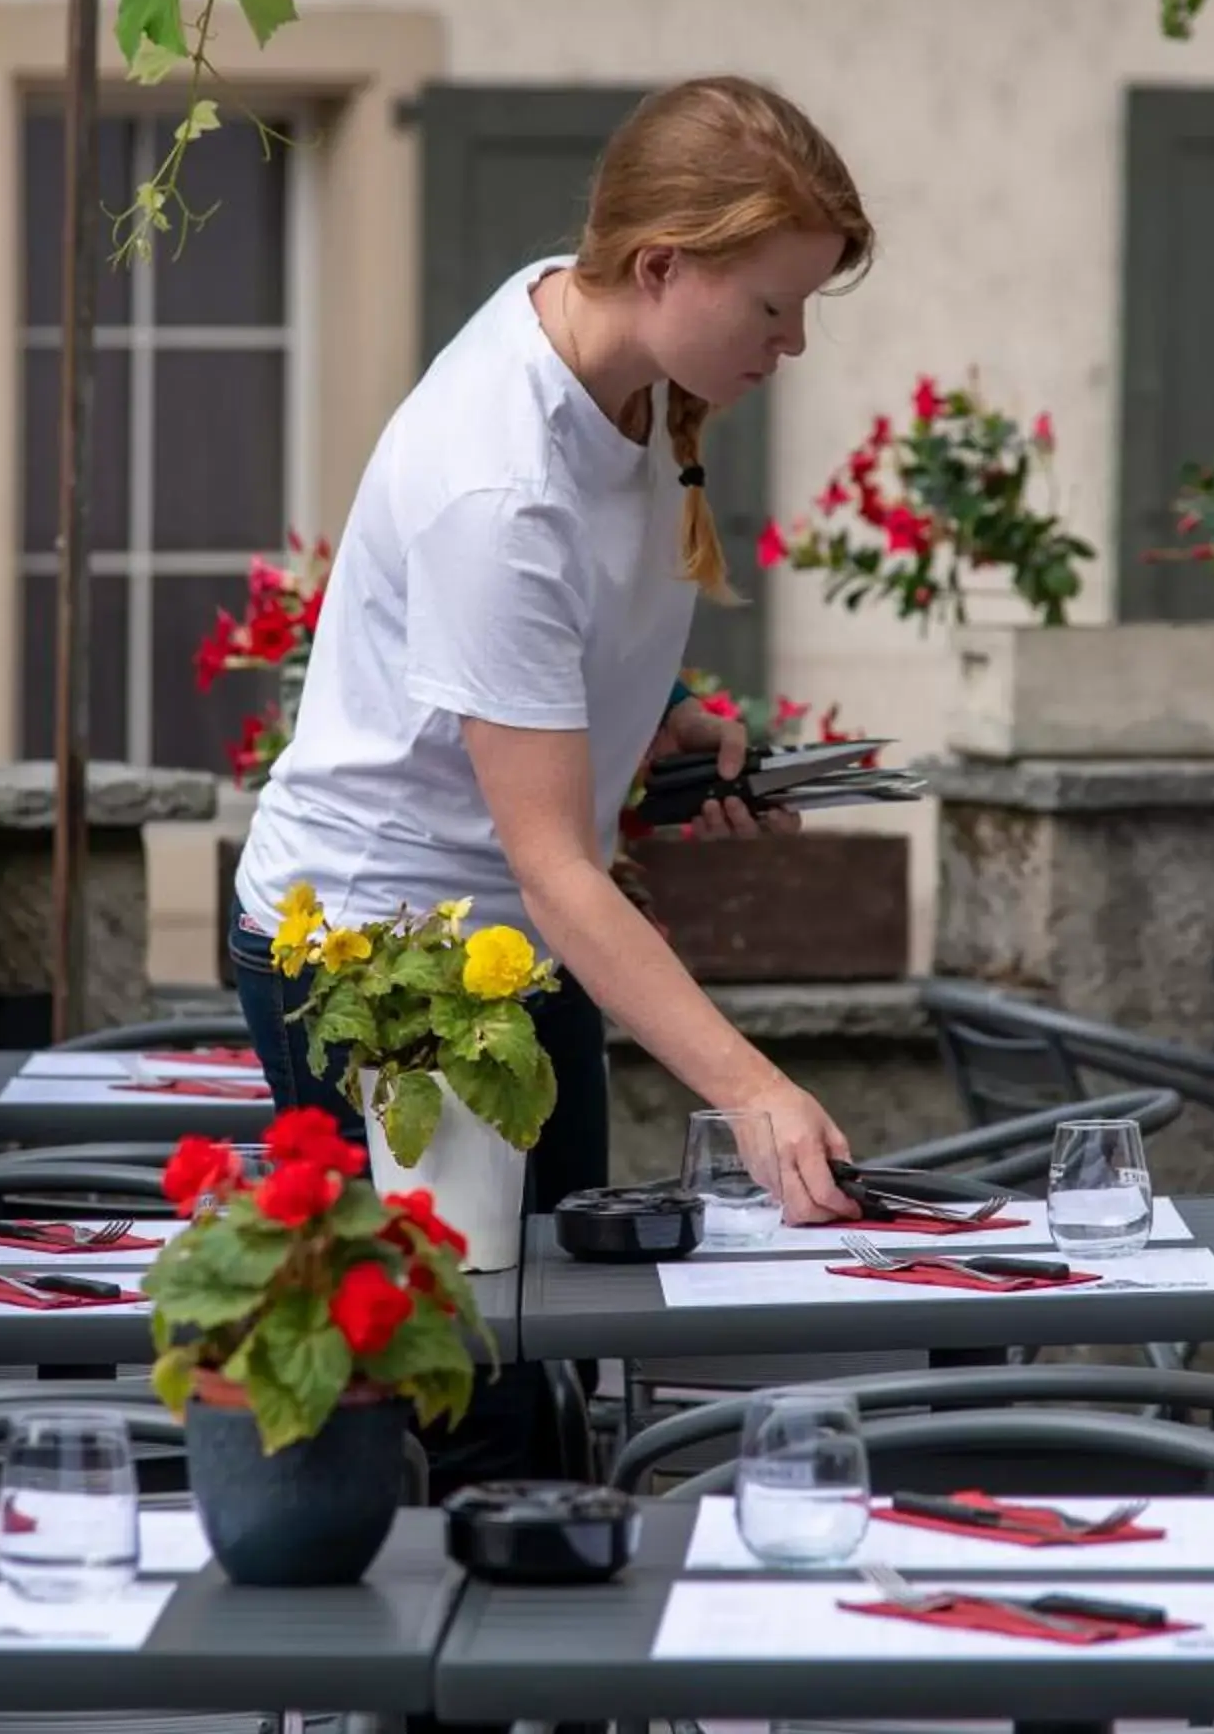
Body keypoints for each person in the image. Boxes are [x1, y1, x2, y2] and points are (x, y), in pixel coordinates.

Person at [225, 75, 875, 1486]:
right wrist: (753, 1092)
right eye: (772, 307)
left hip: (503, 946)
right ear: (662, 266)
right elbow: (554, 867)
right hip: (370, 952)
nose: (794, 344)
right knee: (456, 1392)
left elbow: (521, 680)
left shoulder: (603, 349)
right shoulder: (496, 477)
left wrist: (664, 729)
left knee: (547, 1349)